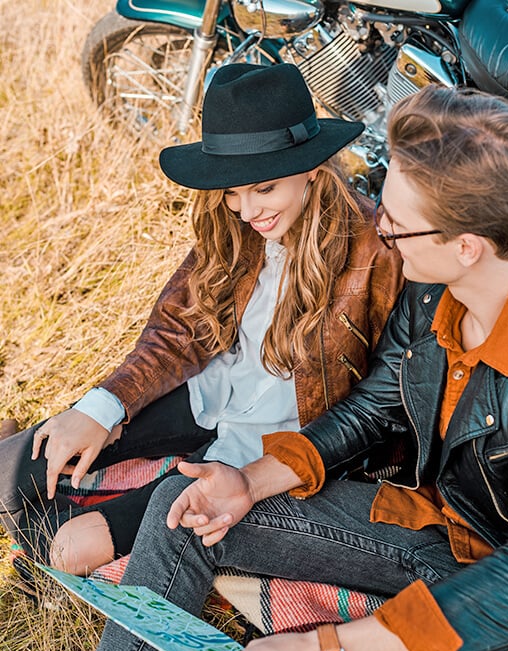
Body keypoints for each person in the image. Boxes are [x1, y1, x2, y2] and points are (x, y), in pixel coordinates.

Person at [2, 84, 508, 651]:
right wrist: (249, 482)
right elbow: (376, 405)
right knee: (185, 504)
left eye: (397, 226)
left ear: (466, 245)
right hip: (436, 534)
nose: (380, 230)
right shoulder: (434, 287)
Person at [0, 62, 402, 576]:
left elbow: (383, 398)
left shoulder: (377, 250)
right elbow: (178, 329)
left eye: (264, 189)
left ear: (313, 170)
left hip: (275, 443)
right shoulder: (235, 228)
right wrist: (102, 408)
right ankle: (33, 512)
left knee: (72, 550)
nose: (246, 210)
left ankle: (46, 545)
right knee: (14, 472)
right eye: (232, 191)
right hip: (210, 395)